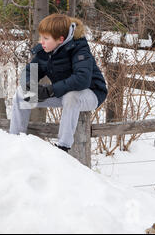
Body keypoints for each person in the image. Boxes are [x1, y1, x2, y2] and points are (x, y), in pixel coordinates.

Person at [9, 14, 107, 153]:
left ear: (60, 39)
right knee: (21, 94)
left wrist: (50, 90)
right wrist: (30, 85)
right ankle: (15, 140)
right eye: (41, 37)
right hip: (61, 92)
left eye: (46, 38)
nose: (41, 41)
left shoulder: (80, 48)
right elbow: (30, 70)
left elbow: (82, 79)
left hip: (92, 93)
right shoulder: (45, 50)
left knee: (71, 97)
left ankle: (63, 147)